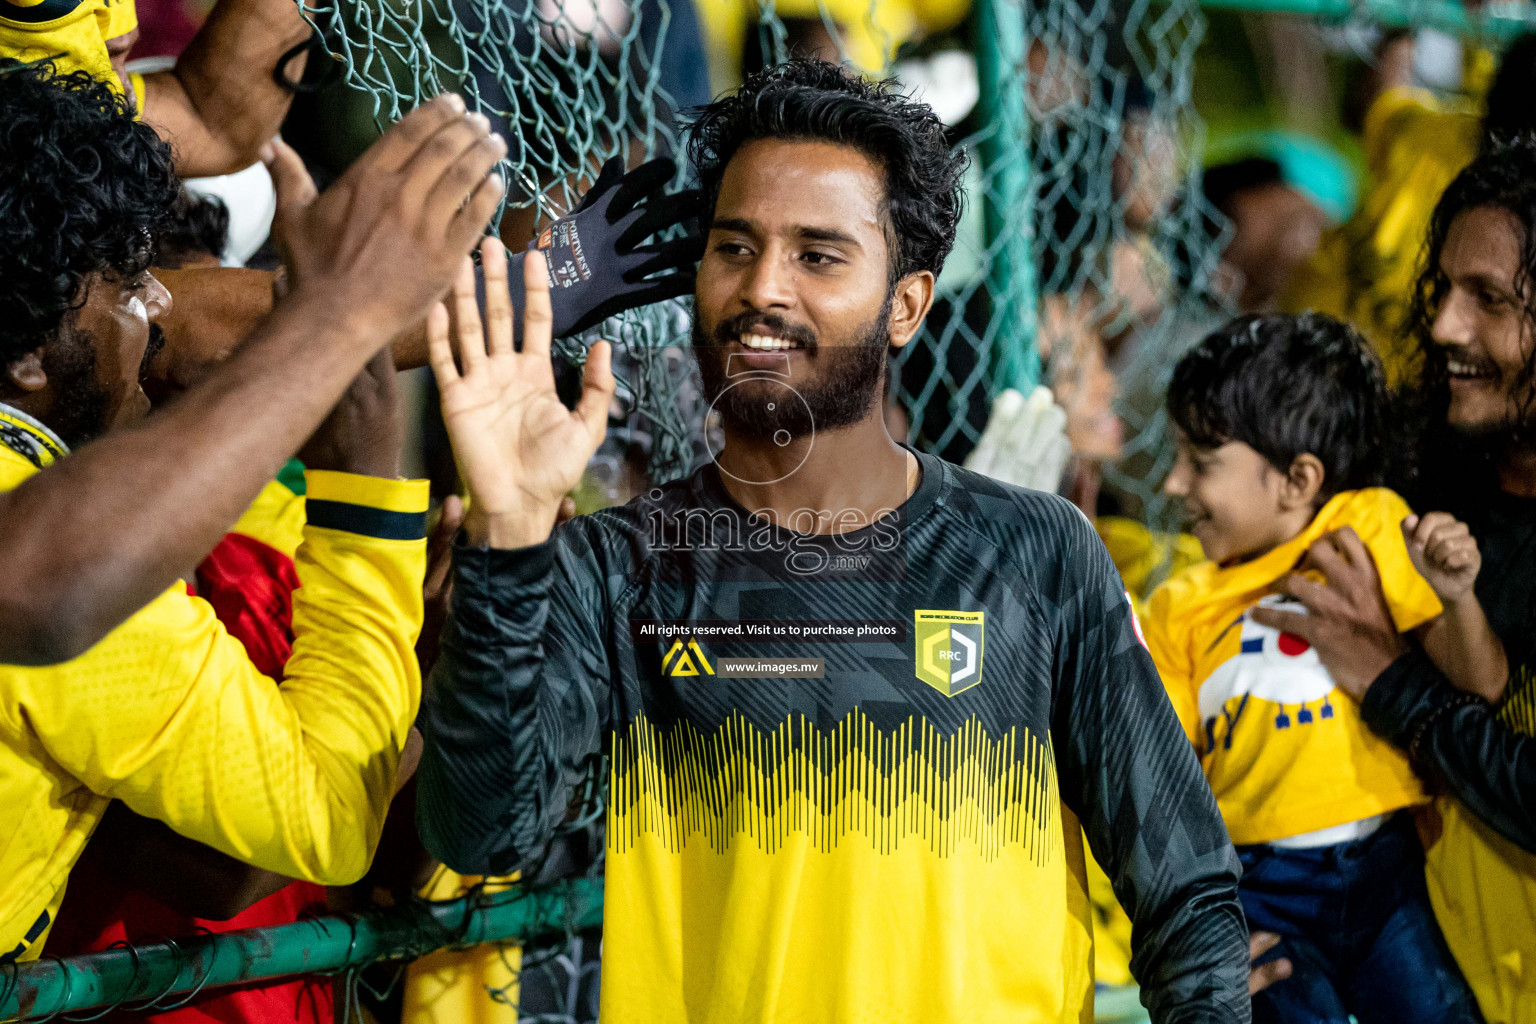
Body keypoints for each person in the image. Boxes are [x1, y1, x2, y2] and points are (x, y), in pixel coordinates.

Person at [415, 60, 1249, 1023]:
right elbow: (480, 833)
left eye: (819, 255)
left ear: (906, 303)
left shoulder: (1037, 553)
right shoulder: (619, 568)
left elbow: (1186, 892)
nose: (762, 288)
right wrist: (511, 539)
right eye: (735, 246)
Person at [0, 61, 507, 960]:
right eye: (122, 278)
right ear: (30, 360)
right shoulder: (70, 566)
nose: (156, 303)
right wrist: (367, 498)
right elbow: (324, 813)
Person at [1253, 137, 1536, 1024]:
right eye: (1444, 290)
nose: (1446, 326)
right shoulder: (1413, 491)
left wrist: (1390, 680)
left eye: (1489, 300)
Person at [1145, 312, 1485, 1023]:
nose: (1174, 483)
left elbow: (1480, 685)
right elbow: (1167, 782)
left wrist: (1455, 600)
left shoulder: (1366, 529)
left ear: (1298, 479)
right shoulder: (1179, 608)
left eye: (1200, 461)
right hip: (1261, 890)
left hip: (1387, 871)